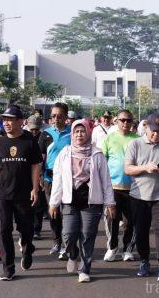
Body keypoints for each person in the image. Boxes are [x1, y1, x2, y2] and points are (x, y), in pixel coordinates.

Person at [49, 120, 116, 283]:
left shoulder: (97, 154)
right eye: (76, 131)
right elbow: (57, 179)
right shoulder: (65, 152)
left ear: (88, 133)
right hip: (69, 200)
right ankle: (73, 254)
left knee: (87, 235)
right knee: (68, 235)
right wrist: (53, 202)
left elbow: (106, 180)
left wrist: (110, 203)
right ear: (72, 134)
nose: (79, 134)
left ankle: (85, 268)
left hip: (92, 202)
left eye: (83, 131)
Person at [0, 106, 41, 281]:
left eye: (10, 119)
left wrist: (35, 188)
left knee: (25, 228)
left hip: (24, 193)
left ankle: (27, 248)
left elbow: (35, 166)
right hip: (2, 193)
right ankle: (8, 268)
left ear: (20, 121)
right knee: (3, 230)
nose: (6, 123)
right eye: (4, 120)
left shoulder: (30, 141)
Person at [124, 113, 159, 282]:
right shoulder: (135, 144)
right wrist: (145, 168)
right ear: (146, 127)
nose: (156, 135)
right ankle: (144, 261)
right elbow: (127, 169)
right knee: (141, 230)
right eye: (154, 131)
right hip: (138, 195)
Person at [101, 110, 139, 262]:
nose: (125, 123)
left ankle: (128, 249)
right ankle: (112, 246)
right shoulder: (108, 139)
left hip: (134, 188)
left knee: (131, 221)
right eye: (122, 120)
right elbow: (102, 163)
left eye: (129, 120)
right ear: (116, 121)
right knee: (112, 219)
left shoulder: (137, 140)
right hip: (113, 187)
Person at [38, 102, 71, 259]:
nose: (56, 118)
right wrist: (39, 177)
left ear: (66, 117)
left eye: (59, 116)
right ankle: (57, 242)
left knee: (67, 212)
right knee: (53, 212)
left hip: (69, 179)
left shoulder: (73, 133)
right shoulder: (45, 134)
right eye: (53, 116)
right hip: (49, 179)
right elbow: (40, 158)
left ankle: (67, 243)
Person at [25, 115, 47, 239]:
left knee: (38, 203)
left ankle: (36, 229)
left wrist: (41, 175)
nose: (34, 132)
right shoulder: (23, 136)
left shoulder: (43, 138)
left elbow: (43, 160)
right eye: (31, 129)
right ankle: (27, 227)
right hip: (25, 174)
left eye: (36, 130)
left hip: (40, 173)